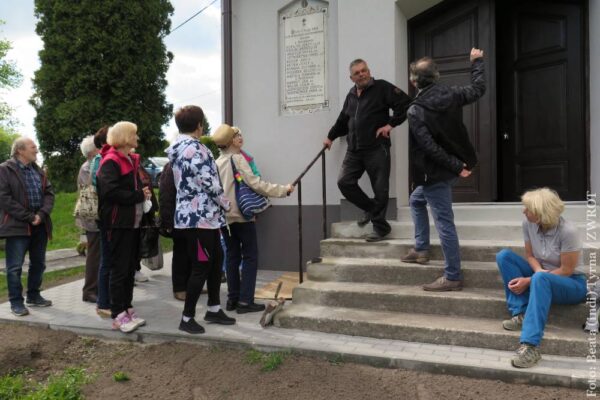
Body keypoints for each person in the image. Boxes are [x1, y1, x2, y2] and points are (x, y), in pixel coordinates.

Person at [401, 48, 485, 291]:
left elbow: (429, 147)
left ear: (414, 81)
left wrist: (457, 167)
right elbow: (479, 89)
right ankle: (421, 249)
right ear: (436, 76)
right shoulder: (452, 93)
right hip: (451, 167)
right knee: (416, 201)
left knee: (444, 223)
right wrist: (477, 62)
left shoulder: (415, 110)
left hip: (436, 172)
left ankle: (452, 276)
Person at [496, 188, 587, 368]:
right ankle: (520, 312)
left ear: (540, 213)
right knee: (504, 256)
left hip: (572, 284)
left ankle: (531, 346)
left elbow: (567, 270)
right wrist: (538, 273)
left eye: (527, 208)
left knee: (539, 280)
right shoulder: (528, 223)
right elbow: (530, 256)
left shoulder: (569, 231)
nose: (524, 211)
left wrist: (531, 280)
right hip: (542, 276)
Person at [324, 59, 411, 242]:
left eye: (364, 70)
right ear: (351, 77)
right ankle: (372, 210)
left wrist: (390, 125)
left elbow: (405, 104)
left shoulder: (382, 88)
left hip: (376, 148)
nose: (361, 74)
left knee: (380, 188)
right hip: (354, 150)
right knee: (345, 182)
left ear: (369, 71)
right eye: (357, 73)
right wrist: (330, 137)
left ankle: (380, 228)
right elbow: (343, 120)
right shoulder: (351, 95)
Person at [166, 105, 235, 334]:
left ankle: (214, 309)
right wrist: (225, 202)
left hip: (200, 217)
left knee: (217, 260)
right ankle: (187, 318)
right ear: (199, 125)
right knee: (201, 266)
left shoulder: (177, 147)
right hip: (199, 219)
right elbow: (207, 181)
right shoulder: (195, 149)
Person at [213, 124, 294, 314]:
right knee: (250, 256)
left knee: (232, 257)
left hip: (225, 217)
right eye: (237, 135)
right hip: (242, 216)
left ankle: (232, 299)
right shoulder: (238, 159)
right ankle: (245, 301)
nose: (241, 137)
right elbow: (256, 184)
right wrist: (283, 190)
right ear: (230, 141)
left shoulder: (217, 162)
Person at [97, 121, 151, 333]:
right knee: (119, 270)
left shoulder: (130, 159)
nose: (137, 138)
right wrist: (138, 195)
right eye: (134, 134)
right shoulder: (111, 161)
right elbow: (109, 192)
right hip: (117, 224)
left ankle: (127, 307)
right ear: (126, 137)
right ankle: (117, 313)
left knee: (129, 268)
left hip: (132, 223)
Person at [0, 137, 54, 316]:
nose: (36, 150)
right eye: (33, 147)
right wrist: (30, 217)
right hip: (17, 225)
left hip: (40, 224)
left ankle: (34, 296)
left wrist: (42, 215)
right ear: (20, 151)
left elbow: (49, 194)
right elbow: (4, 199)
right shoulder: (4, 170)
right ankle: (16, 302)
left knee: (39, 263)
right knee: (14, 267)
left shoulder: (38, 170)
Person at [90, 126, 111, 318]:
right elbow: (102, 186)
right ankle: (103, 302)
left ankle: (110, 299)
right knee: (106, 261)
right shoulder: (100, 160)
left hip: (113, 216)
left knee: (112, 261)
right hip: (106, 216)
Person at [76, 135, 100, 303]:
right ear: (93, 151)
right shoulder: (87, 168)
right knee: (95, 254)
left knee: (98, 254)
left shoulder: (92, 165)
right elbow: (91, 194)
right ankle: (90, 291)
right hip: (93, 218)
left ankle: (96, 289)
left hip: (96, 217)